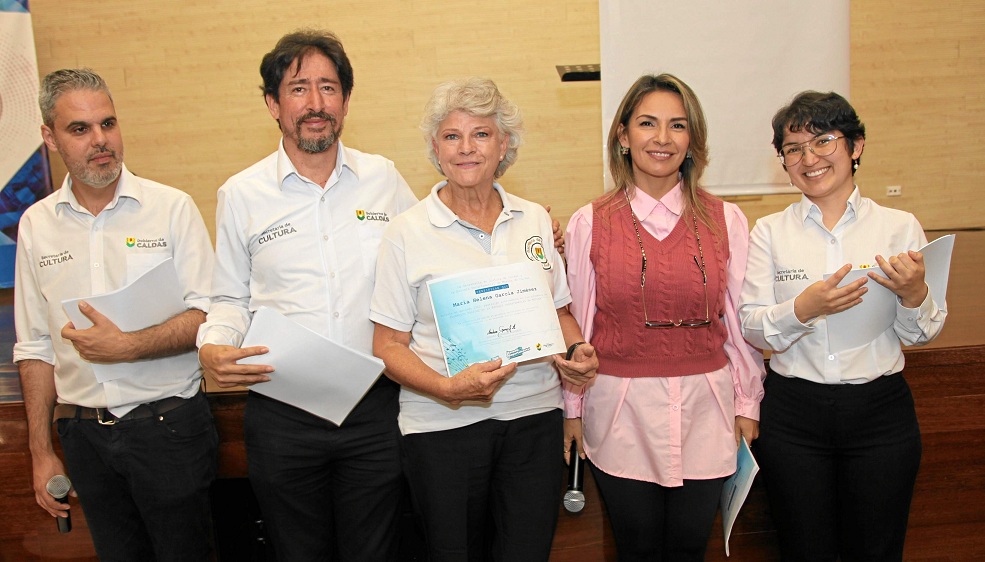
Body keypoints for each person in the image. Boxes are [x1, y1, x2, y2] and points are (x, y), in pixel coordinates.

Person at [196, 30, 418, 561]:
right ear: (273, 103)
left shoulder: (382, 179)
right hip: (283, 412)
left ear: (345, 100)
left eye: (329, 87)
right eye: (299, 89)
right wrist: (213, 344)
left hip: (376, 409)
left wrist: (527, 239)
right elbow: (228, 297)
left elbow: (433, 255)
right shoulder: (241, 194)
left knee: (378, 552)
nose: (315, 104)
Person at [370, 77, 598, 562]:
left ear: (504, 146)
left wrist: (577, 353)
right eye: (452, 136)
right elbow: (388, 345)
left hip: (533, 420)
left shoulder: (534, 219)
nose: (466, 148)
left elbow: (558, 311)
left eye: (481, 134)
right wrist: (447, 389)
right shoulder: (405, 232)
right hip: (441, 426)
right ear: (436, 148)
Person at [13, 68, 217, 561]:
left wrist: (130, 345)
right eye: (79, 129)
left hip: (170, 427)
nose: (100, 140)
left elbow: (209, 314)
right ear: (49, 137)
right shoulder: (35, 225)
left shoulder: (171, 209)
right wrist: (42, 454)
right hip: (84, 438)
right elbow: (35, 346)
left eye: (108, 123)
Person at [562, 73, 765, 561]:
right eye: (647, 123)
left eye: (677, 125)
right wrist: (572, 410)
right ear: (623, 135)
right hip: (620, 415)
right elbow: (579, 326)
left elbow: (736, 324)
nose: (662, 138)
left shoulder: (728, 219)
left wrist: (748, 402)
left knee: (691, 549)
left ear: (692, 139)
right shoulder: (590, 222)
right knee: (635, 550)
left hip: (707, 413)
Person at [738, 91, 946, 561]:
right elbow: (752, 325)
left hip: (880, 413)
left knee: (877, 549)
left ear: (856, 146)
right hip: (794, 416)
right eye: (793, 148)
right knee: (802, 548)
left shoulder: (899, 226)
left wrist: (916, 296)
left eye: (824, 141)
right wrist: (803, 308)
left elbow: (921, 333)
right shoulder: (769, 231)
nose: (808, 158)